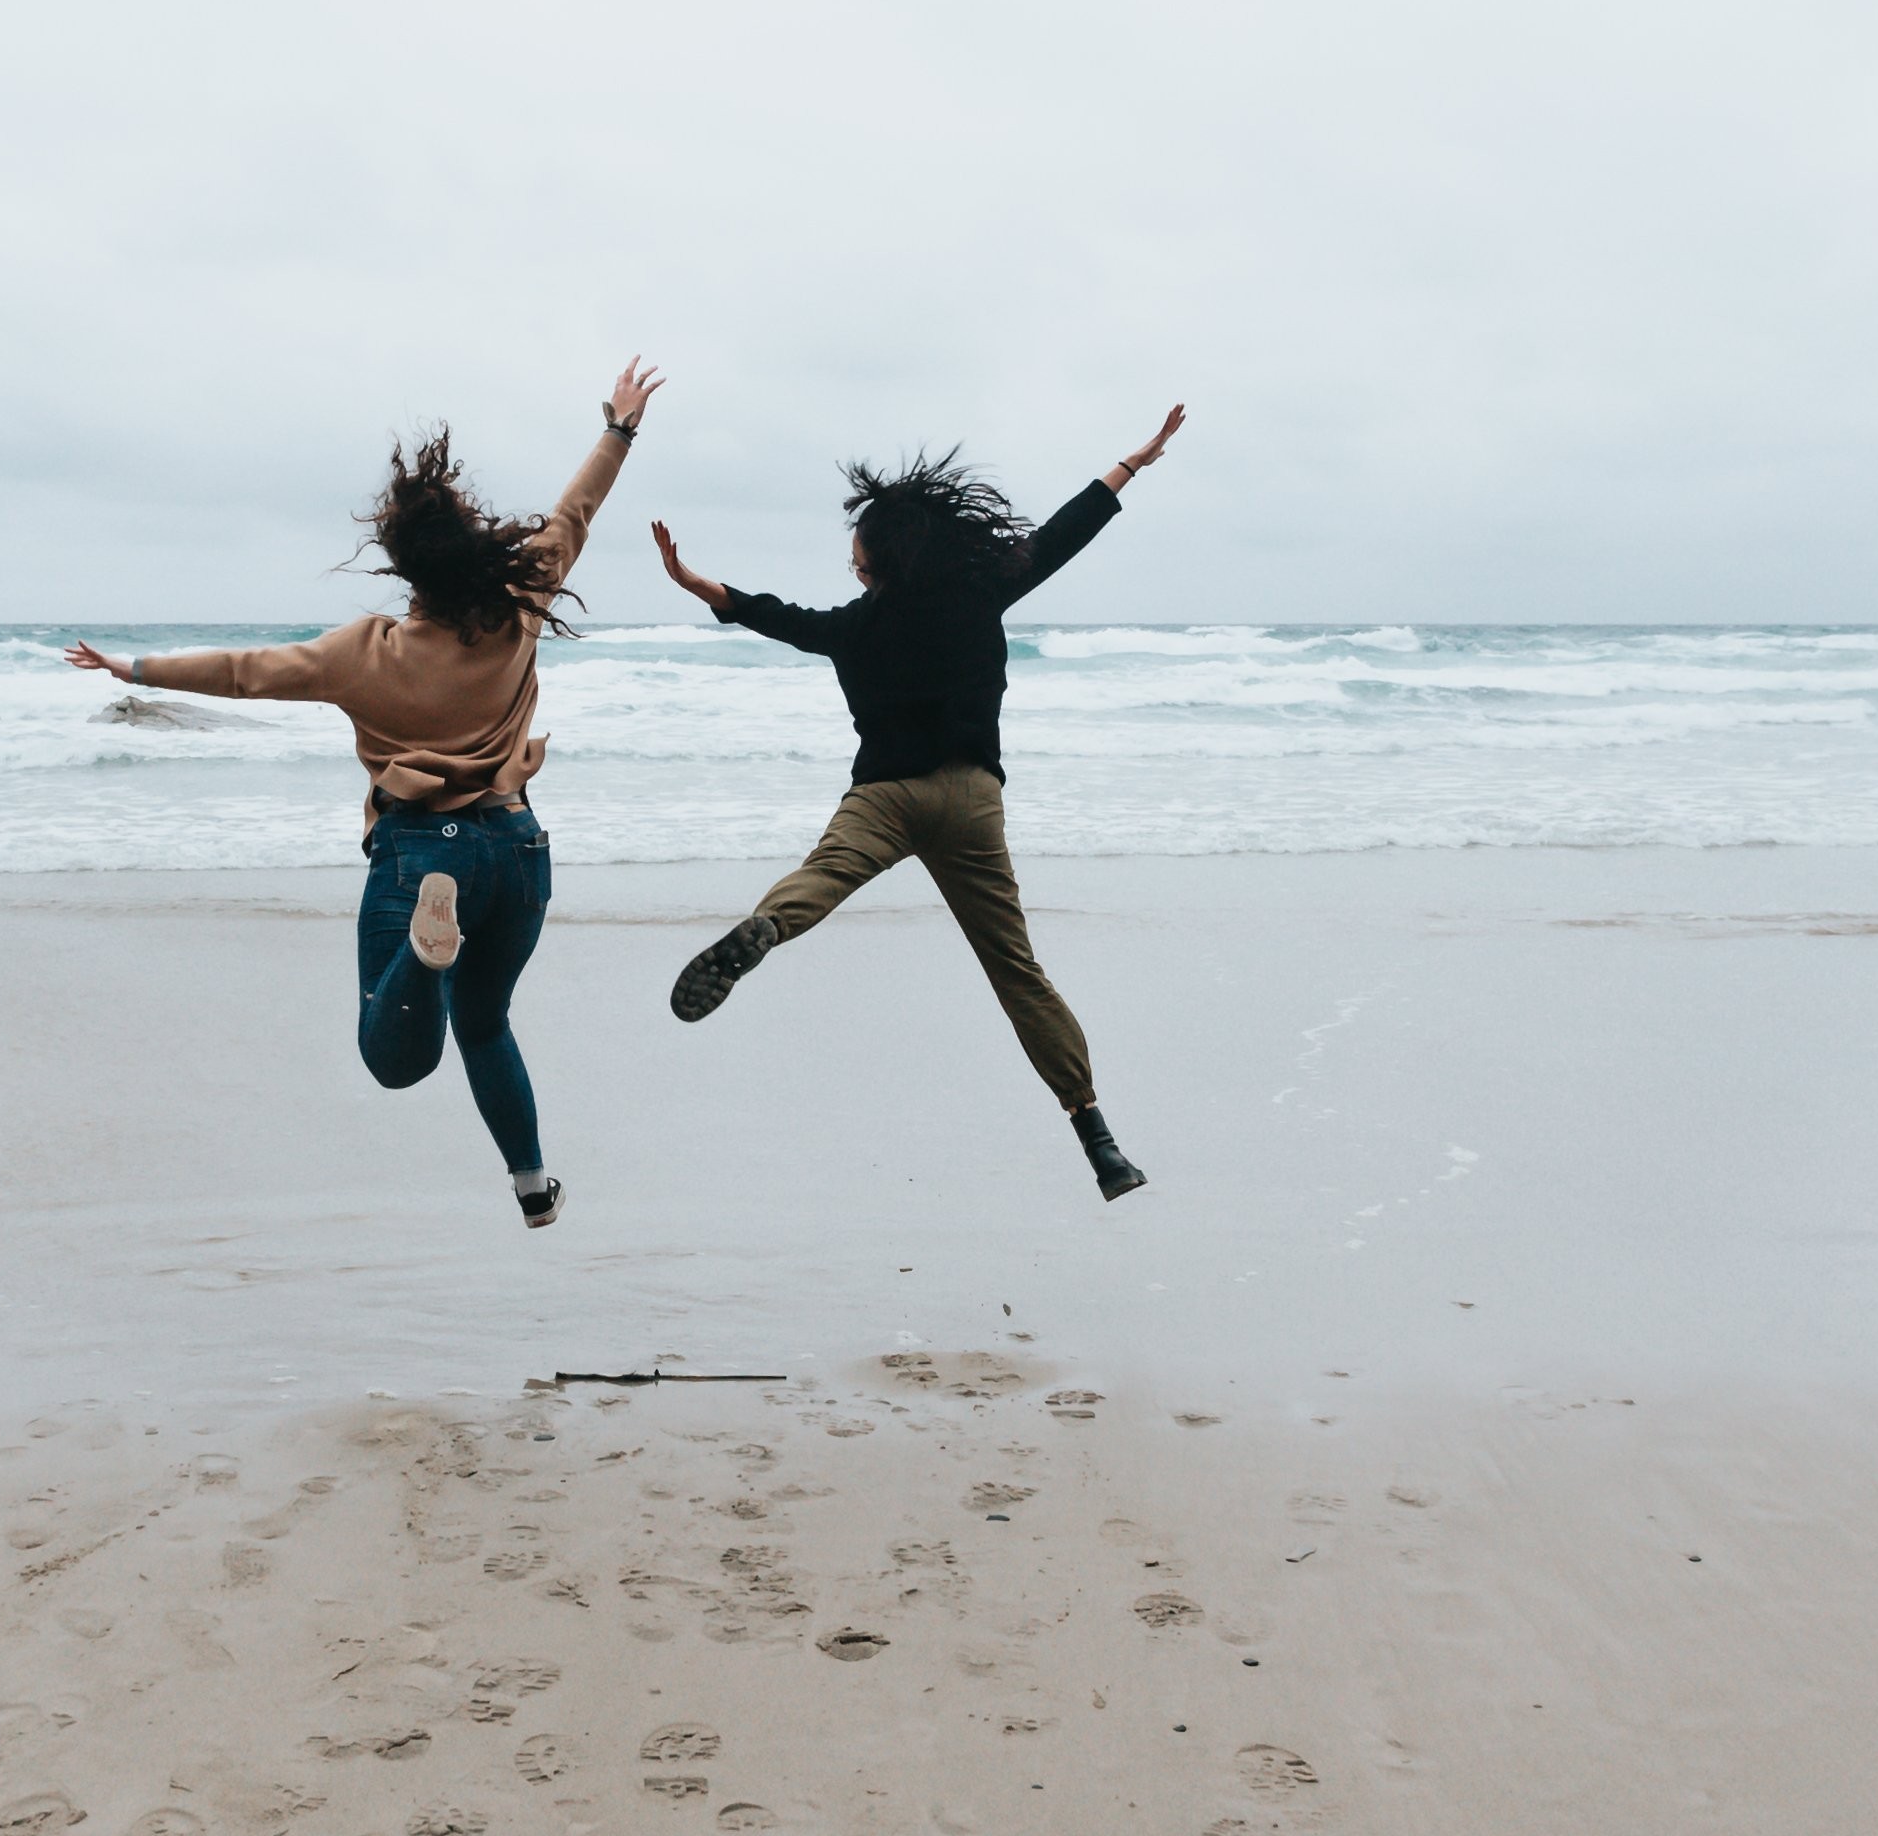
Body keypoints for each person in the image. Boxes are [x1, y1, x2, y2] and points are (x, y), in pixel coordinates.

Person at [66, 361, 659, 1228]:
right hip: (522, 852)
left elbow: (245, 673)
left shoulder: (360, 653)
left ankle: (425, 956)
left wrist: (136, 666)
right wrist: (619, 429)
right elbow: (576, 512)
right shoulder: (520, 597)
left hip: (425, 854)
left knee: (396, 1058)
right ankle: (533, 1182)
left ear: (400, 565)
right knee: (485, 1021)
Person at [648, 405, 1184, 1200]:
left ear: (880, 562)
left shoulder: (853, 627)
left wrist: (702, 586)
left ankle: (768, 926)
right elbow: (1064, 534)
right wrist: (1129, 466)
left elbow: (778, 617)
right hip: (970, 800)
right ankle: (1098, 1139)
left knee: (821, 876)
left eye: (857, 557)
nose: (853, 568)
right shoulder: (983, 589)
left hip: (884, 799)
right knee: (1016, 971)